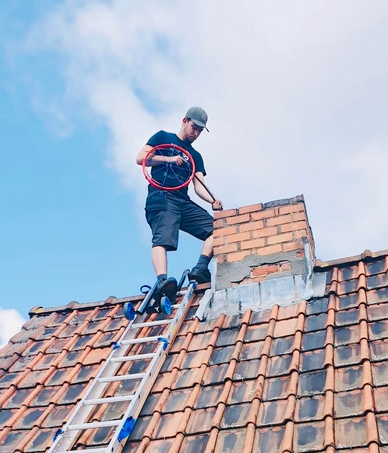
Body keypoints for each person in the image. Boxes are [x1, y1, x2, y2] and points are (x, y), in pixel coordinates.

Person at [136, 107, 223, 293]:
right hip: (162, 195)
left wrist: (213, 200)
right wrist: (168, 159)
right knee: (162, 238)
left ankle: (200, 267)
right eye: (194, 127)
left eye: (200, 130)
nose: (196, 133)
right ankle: (162, 281)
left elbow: (199, 186)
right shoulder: (163, 137)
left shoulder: (196, 156)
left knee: (219, 229)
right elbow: (141, 158)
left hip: (183, 200)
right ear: (185, 121)